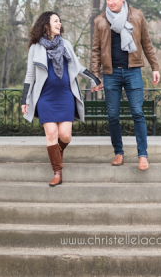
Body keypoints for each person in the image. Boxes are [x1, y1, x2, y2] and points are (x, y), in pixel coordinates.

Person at [21, 11, 101, 186]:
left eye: (60, 21)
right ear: (46, 25)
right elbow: (30, 76)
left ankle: (55, 153)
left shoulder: (66, 44)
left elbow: (77, 67)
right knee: (51, 134)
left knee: (65, 136)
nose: (59, 23)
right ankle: (57, 172)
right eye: (55, 21)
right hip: (45, 98)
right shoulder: (36, 48)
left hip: (65, 96)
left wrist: (95, 79)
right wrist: (24, 99)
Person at [91, 0, 159, 171]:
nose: (110, 2)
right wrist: (95, 76)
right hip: (110, 74)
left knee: (137, 112)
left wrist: (155, 66)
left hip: (133, 70)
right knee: (113, 116)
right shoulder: (100, 21)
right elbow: (95, 50)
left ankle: (142, 155)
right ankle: (118, 153)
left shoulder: (137, 15)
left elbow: (146, 42)